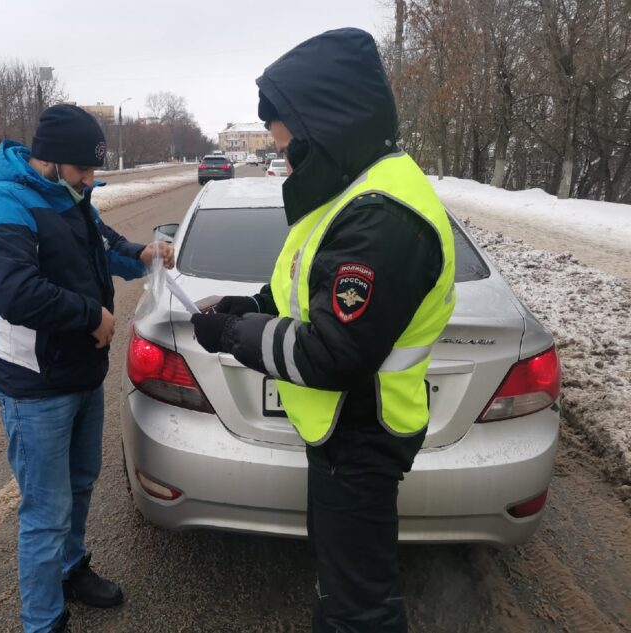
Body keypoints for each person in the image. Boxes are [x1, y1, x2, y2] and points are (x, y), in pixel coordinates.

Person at [190, 29, 456, 633]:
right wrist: (248, 300)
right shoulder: (354, 193)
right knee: (340, 581)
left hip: (362, 434)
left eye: (292, 149)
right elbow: (309, 290)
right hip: (341, 432)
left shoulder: (382, 216)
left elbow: (334, 352)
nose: (286, 163)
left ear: (329, 131)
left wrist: (234, 332)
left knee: (360, 607)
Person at [0, 104, 174, 633]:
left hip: (81, 373)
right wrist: (90, 316)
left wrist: (144, 255)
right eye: (83, 168)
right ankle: (43, 620)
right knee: (44, 511)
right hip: (34, 386)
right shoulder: (4, 202)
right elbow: (13, 291)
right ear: (52, 159)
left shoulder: (73, 195)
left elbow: (100, 247)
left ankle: (71, 570)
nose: (90, 179)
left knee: (81, 483)